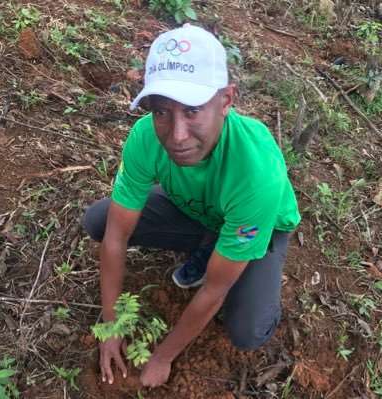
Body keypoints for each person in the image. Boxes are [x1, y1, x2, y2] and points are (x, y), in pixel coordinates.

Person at [83, 23, 301, 388]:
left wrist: (163, 356)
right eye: (161, 112)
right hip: (199, 208)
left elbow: (214, 290)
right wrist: (110, 324)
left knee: (248, 331)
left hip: (261, 221)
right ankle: (211, 243)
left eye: (193, 110)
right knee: (100, 221)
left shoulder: (256, 173)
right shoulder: (145, 137)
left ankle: (236, 253)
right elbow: (117, 235)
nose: (176, 135)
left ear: (226, 101)